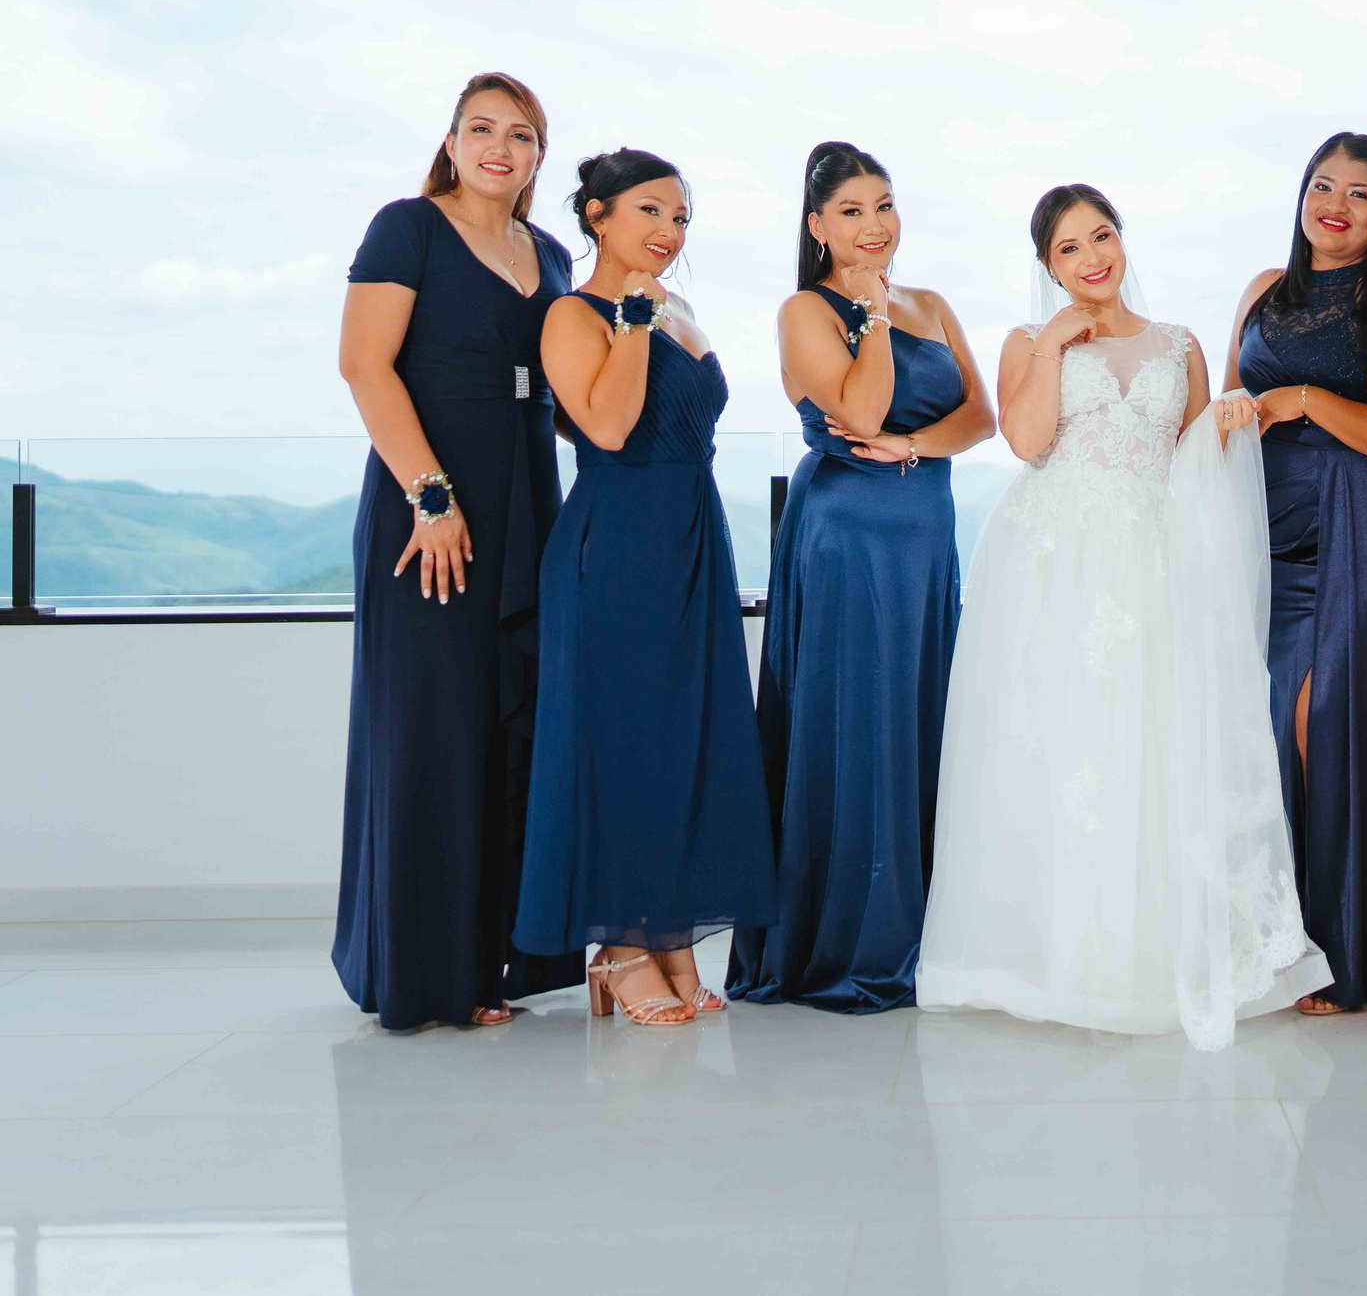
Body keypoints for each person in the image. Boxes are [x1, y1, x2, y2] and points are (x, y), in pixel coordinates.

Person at [917, 184, 1332, 1050]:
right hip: (1053, 564)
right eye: (1068, 248)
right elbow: (1027, 440)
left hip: (1149, 556)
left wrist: (1229, 420)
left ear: (1121, 238)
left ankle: (1149, 948)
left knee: (1147, 739)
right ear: (1048, 265)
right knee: (1061, 741)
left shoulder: (1178, 344)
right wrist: (1054, 343)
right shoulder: (1029, 340)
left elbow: (1192, 461)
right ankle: (1053, 952)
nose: (1091, 258)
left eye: (1101, 236)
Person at [332, 71, 584, 1030]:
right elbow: (364, 365)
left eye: (519, 134)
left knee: (512, 722)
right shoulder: (408, 228)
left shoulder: (549, 252)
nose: (498, 148)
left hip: (529, 497)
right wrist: (430, 496)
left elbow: (568, 387)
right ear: (450, 142)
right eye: (481, 129)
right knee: (432, 726)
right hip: (431, 501)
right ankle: (425, 973)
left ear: (538, 156)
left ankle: (490, 966)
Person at [729, 142, 995, 1014]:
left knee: (917, 717)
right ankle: (849, 942)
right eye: (851, 210)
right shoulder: (804, 311)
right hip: (847, 536)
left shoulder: (935, 303)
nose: (874, 224)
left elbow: (981, 416)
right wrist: (873, 313)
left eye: (884, 205)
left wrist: (915, 445)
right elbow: (862, 408)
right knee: (857, 722)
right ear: (817, 225)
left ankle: (925, 926)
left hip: (924, 536)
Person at [512, 150, 777, 1025]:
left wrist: (652, 312)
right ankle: (619, 945)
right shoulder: (572, 314)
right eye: (650, 211)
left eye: (681, 216)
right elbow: (610, 425)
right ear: (596, 215)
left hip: (694, 536)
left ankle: (670, 936)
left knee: (685, 740)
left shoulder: (681, 309)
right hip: (617, 544)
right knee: (621, 739)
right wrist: (630, 318)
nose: (669, 231)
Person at [1225, 133, 1367, 1016]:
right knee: (1271, 726)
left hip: (1358, 526)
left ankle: (1344, 949)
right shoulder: (1261, 291)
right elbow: (1232, 403)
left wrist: (1308, 400)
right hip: (1266, 528)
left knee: (1329, 724)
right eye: (1324, 185)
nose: (1337, 205)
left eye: (1360, 192)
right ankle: (1278, 942)